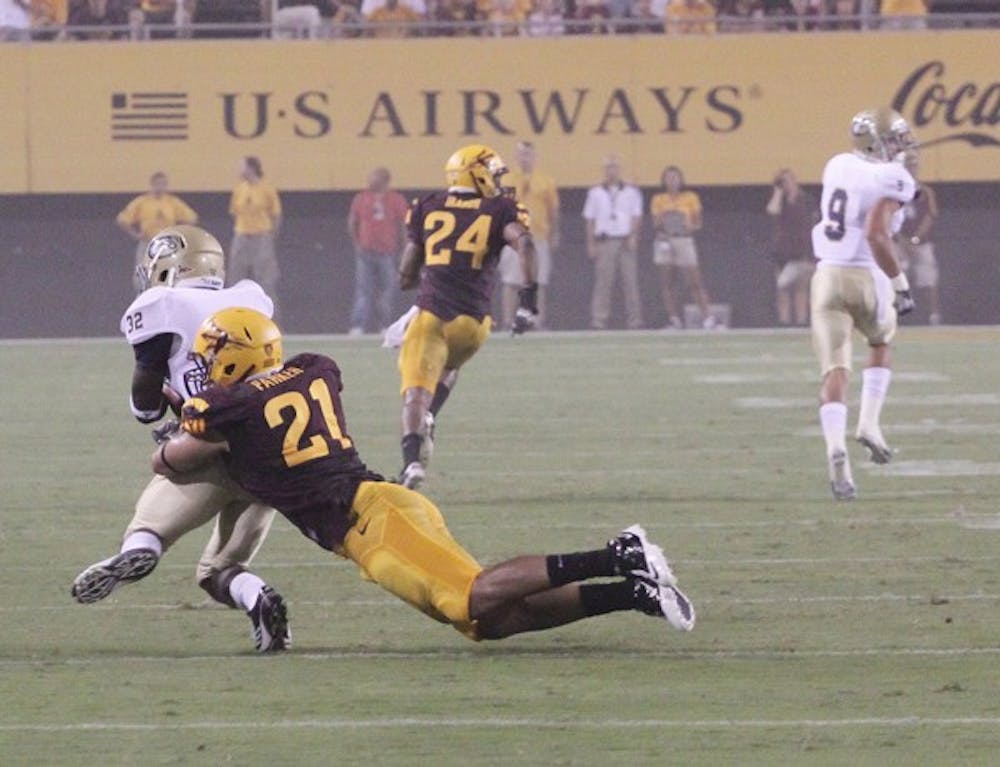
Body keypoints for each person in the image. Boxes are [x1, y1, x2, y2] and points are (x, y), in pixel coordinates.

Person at [153, 307, 695, 644]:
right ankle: (633, 594)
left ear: (235, 357)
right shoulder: (313, 367)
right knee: (486, 622)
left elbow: (170, 462)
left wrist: (179, 417)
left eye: (214, 355)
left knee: (475, 597)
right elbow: (259, 413)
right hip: (377, 512)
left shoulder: (231, 410)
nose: (208, 366)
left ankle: (618, 554)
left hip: (371, 519)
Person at [71, 225, 290, 652]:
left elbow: (146, 404)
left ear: (170, 267)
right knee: (219, 569)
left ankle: (140, 548)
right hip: (273, 453)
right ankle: (257, 597)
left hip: (209, 445)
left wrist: (169, 407)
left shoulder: (162, 305)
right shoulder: (251, 297)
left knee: (151, 519)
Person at [396, 144, 537, 489]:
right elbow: (526, 244)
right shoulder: (500, 209)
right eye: (494, 173)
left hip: (433, 316)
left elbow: (406, 274)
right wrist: (528, 302)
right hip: (475, 325)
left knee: (415, 392)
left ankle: (411, 463)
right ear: (476, 174)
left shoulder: (427, 206)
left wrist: (419, 277)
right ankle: (431, 417)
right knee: (448, 365)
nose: (497, 181)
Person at [810, 106, 918, 501]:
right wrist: (901, 284)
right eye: (894, 139)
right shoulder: (891, 177)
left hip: (827, 275)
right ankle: (869, 423)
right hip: (866, 275)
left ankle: (835, 448)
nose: (902, 145)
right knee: (881, 342)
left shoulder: (837, 164)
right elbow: (876, 234)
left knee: (835, 370)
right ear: (876, 143)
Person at [498, 141, 560, 330]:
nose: (525, 158)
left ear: (534, 157)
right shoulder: (507, 181)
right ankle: (508, 321)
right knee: (511, 281)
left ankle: (537, 322)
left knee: (537, 281)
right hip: (514, 237)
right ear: (516, 157)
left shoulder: (546, 181)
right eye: (522, 154)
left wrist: (554, 233)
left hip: (537, 236)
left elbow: (553, 211)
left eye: (528, 154)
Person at [649, 165, 715, 329]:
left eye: (675, 177)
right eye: (669, 177)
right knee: (667, 282)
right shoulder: (658, 199)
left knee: (695, 281)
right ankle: (674, 319)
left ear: (681, 180)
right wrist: (665, 218)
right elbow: (656, 223)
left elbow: (698, 222)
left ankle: (708, 318)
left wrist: (688, 225)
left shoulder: (690, 197)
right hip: (665, 241)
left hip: (684, 240)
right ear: (664, 181)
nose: (672, 180)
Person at [583, 155, 643, 330]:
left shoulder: (631, 192)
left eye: (614, 167)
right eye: (608, 167)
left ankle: (635, 320)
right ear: (604, 170)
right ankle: (599, 320)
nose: (612, 171)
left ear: (619, 169)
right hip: (605, 241)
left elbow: (636, 216)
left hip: (625, 240)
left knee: (630, 282)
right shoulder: (595, 192)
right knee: (603, 282)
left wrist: (633, 236)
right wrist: (591, 244)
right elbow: (590, 220)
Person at [347, 167, 409, 335]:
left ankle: (384, 325)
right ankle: (358, 325)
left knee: (386, 291)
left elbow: (402, 225)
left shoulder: (396, 199)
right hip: (365, 251)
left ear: (385, 181)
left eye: (375, 178)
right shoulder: (361, 198)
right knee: (363, 290)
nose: (371, 181)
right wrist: (357, 243)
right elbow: (353, 221)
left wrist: (404, 247)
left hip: (387, 251)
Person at [116, 171, 199, 293]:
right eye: (157, 184)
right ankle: (142, 296)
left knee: (169, 272)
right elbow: (123, 219)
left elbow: (192, 218)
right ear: (152, 184)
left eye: (163, 184)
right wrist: (135, 234)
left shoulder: (172, 202)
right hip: (148, 243)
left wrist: (178, 234)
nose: (160, 187)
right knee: (143, 273)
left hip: (167, 245)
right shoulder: (142, 202)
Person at [228, 156, 283, 319]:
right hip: (241, 236)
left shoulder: (267, 188)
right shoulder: (239, 189)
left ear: (251, 169)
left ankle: (271, 319)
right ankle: (234, 318)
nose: (239, 170)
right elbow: (234, 212)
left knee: (266, 280)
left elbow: (276, 215)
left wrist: (269, 235)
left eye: (242, 167)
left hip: (261, 236)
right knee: (235, 278)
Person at [894, 151, 941, 325]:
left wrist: (915, 238)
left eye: (914, 165)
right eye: (908, 165)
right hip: (899, 241)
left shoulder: (925, 192)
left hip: (921, 242)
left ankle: (934, 315)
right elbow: (889, 217)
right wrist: (902, 239)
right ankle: (896, 312)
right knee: (896, 273)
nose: (911, 169)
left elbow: (930, 215)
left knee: (928, 276)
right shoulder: (895, 191)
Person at [766, 168, 817, 326]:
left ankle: (801, 321)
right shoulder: (780, 200)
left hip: (802, 249)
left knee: (801, 288)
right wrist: (778, 191)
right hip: (783, 251)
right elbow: (772, 210)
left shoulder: (805, 199)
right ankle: (784, 321)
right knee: (783, 287)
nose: (786, 184)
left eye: (787, 180)